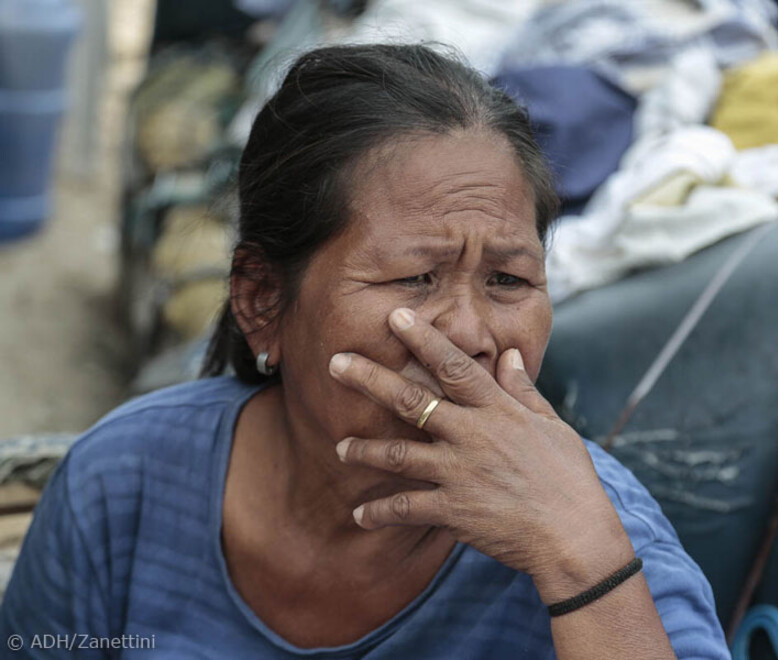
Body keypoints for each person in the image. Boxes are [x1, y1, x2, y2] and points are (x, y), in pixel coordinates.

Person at [0, 44, 730, 659]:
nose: (472, 334)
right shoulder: (121, 486)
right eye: (416, 277)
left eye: (508, 280)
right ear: (262, 300)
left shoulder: (603, 540)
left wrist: (581, 563)